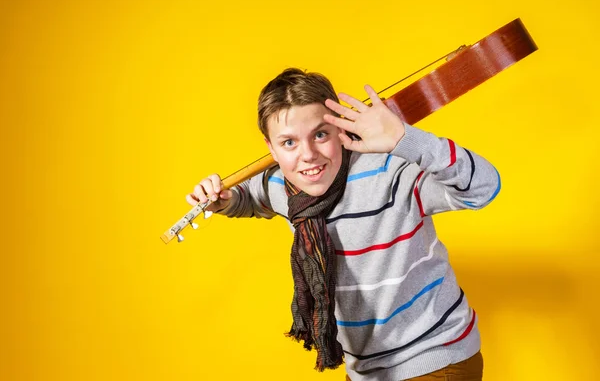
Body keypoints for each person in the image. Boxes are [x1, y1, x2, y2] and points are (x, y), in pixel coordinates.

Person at [186, 68, 497, 380]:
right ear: (270, 148)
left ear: (340, 130)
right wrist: (222, 200)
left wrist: (406, 139)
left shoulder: (390, 172)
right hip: (366, 371)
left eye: (320, 134)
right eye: (289, 143)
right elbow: (249, 198)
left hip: (435, 357)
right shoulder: (282, 186)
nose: (307, 155)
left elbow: (483, 188)